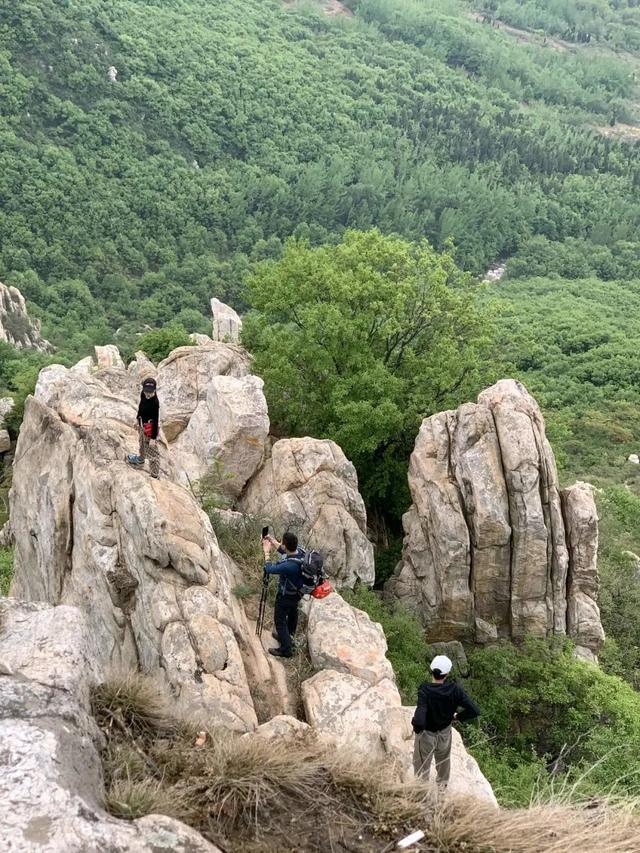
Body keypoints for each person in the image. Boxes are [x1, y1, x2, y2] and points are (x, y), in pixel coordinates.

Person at [412, 654, 480, 787]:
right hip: (444, 733)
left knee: (421, 770)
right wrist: (457, 717)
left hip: (426, 735)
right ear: (447, 673)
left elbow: (420, 719)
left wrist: (417, 728)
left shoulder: (425, 690)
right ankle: (442, 792)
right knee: (443, 764)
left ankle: (420, 795)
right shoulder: (455, 689)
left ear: (431, 670)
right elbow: (474, 710)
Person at [262, 531, 304, 659]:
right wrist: (271, 540)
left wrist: (266, 552)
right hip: (296, 594)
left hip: (285, 596)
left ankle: (286, 650)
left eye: (282, 543)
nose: (281, 545)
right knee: (292, 615)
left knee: (279, 621)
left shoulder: (289, 566)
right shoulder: (300, 552)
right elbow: (283, 550)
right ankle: (288, 637)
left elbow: (269, 569)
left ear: (286, 546)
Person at [133, 377, 160, 479]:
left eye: (150, 392)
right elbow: (141, 406)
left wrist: (153, 438)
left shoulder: (155, 403)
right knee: (142, 443)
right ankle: (141, 459)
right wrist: (137, 419)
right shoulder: (143, 394)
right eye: (146, 391)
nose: (148, 394)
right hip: (142, 425)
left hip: (150, 428)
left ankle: (154, 475)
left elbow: (156, 420)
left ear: (154, 390)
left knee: (153, 453)